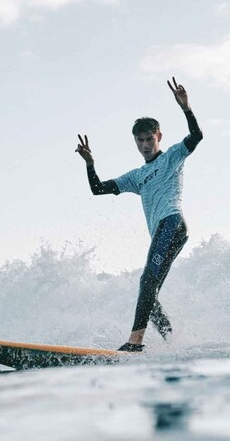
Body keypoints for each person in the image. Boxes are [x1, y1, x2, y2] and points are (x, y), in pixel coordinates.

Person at [75, 77, 203, 352]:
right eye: (140, 140)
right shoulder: (136, 177)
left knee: (146, 281)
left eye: (149, 139)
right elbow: (98, 189)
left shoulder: (171, 157)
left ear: (159, 137)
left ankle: (135, 342)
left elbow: (196, 137)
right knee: (150, 291)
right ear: (135, 141)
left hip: (172, 223)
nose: (145, 144)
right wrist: (90, 163)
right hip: (163, 231)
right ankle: (175, 343)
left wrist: (186, 108)